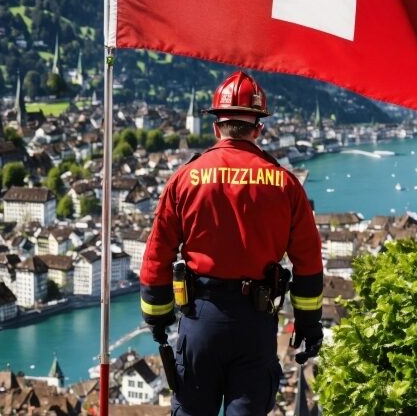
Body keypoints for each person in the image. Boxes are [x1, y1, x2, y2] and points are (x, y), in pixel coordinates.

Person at [139, 71, 324, 416]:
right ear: (258, 128)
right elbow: (309, 262)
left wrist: (158, 316)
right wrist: (309, 324)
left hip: (199, 322)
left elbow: (156, 254)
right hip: (255, 325)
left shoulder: (185, 178)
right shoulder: (285, 183)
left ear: (216, 127)